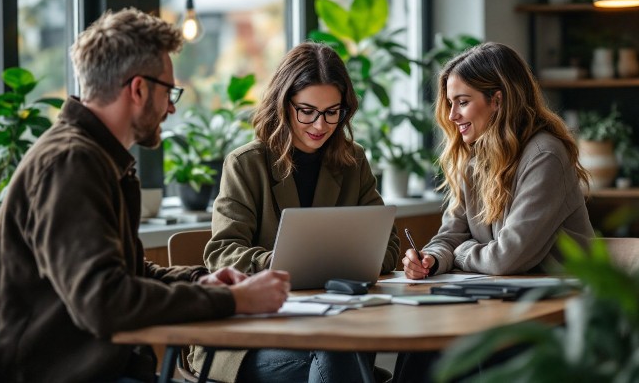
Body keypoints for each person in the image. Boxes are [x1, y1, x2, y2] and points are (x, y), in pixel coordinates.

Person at [0, 8, 290, 383]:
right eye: (169, 91)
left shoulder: (98, 159)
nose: (171, 106)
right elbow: (104, 302)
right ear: (138, 89)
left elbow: (130, 275)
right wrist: (234, 301)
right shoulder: (72, 163)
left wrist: (203, 282)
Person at [185, 42, 401, 382]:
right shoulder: (247, 164)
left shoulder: (352, 161)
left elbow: (387, 247)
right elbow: (222, 253)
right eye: (307, 111)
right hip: (253, 336)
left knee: (345, 345)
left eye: (333, 112)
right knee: (340, 352)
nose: (320, 124)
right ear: (284, 105)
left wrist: (349, 263)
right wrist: (278, 263)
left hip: (334, 319)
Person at [394, 42, 594, 382]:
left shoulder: (545, 155)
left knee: (460, 355)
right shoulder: (475, 157)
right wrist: (431, 259)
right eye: (450, 103)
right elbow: (451, 234)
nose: (452, 115)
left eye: (462, 102)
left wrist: (460, 252)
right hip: (502, 307)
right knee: (421, 346)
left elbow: (506, 258)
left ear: (497, 100)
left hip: (555, 316)